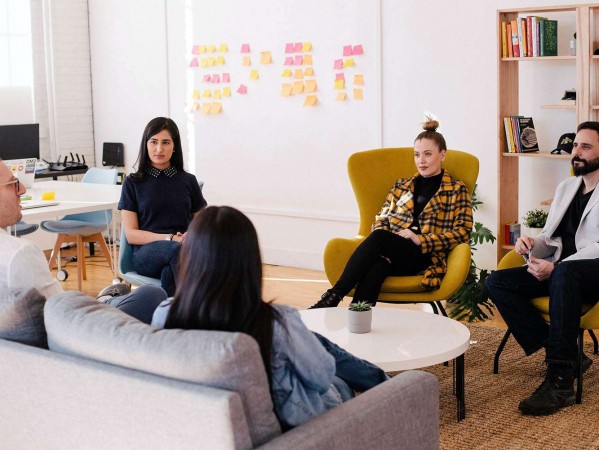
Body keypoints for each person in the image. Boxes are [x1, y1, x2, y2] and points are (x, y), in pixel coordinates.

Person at [149, 206, 388, 429]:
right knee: (336, 378)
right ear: (249, 261)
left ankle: (380, 380)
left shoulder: (165, 314)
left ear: (190, 258)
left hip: (209, 424)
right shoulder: (275, 322)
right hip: (298, 427)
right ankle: (391, 388)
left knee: (311, 339)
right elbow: (322, 376)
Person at [485, 121, 599, 417]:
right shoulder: (568, 187)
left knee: (564, 273)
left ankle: (561, 380)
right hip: (564, 273)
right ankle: (568, 354)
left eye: (585, 147)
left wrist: (556, 267)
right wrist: (531, 244)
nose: (576, 152)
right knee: (498, 282)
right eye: (575, 145)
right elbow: (553, 236)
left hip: (590, 272)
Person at [310, 119, 473, 309]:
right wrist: (392, 240)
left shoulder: (456, 189)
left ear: (442, 155)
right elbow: (382, 219)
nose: (421, 160)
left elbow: (463, 232)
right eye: (417, 155)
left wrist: (421, 239)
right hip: (393, 251)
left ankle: (333, 296)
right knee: (378, 264)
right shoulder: (402, 186)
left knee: (379, 239)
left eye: (428, 154)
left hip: (425, 256)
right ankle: (358, 320)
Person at [0, 158, 167, 313]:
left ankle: (104, 299)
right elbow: (62, 312)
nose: (22, 189)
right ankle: (104, 301)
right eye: (13, 183)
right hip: (79, 325)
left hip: (64, 320)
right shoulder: (19, 254)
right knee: (151, 294)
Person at [118, 117, 207, 296]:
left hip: (180, 252)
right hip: (146, 254)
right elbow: (132, 234)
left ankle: (170, 319)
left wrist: (192, 234)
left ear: (174, 146)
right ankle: (204, 307)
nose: (159, 149)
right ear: (146, 145)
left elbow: (204, 223)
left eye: (166, 142)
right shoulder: (133, 183)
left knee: (170, 273)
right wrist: (171, 238)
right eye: (154, 142)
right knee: (178, 251)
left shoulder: (188, 181)